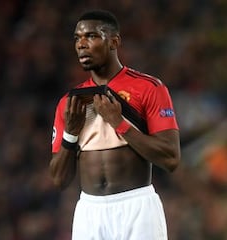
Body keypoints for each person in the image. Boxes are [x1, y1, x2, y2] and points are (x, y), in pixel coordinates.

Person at [49, 10, 181, 240]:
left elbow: (170, 158)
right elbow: (59, 179)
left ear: (114, 41)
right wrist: (70, 134)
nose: (81, 44)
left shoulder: (149, 88)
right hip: (89, 211)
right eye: (77, 38)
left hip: (137, 206)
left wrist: (119, 123)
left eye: (91, 36)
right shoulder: (69, 103)